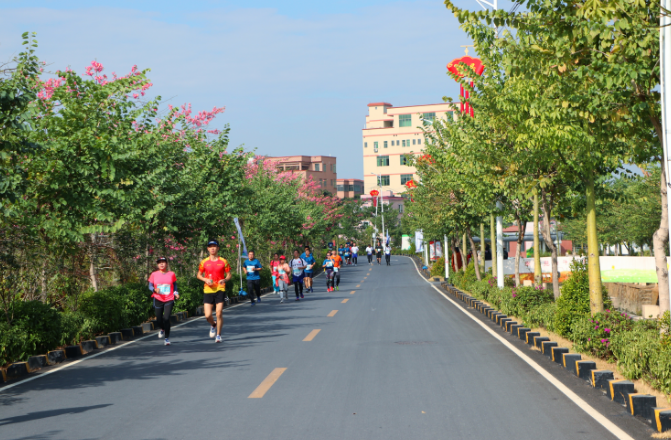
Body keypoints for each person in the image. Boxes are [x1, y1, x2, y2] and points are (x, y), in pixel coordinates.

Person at [196, 240, 231, 343]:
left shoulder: (223, 261)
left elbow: (229, 275)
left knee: (219, 313)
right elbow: (198, 275)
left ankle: (219, 335)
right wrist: (205, 279)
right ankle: (213, 324)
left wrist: (224, 279)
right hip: (208, 289)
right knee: (207, 315)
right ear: (208, 249)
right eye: (210, 246)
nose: (212, 248)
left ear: (218, 248)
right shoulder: (204, 262)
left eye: (214, 246)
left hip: (220, 289)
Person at [148, 257, 179, 346]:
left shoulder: (171, 274)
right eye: (159, 263)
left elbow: (174, 285)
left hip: (169, 298)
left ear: (166, 264)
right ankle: (162, 328)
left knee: (166, 318)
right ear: (157, 265)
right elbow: (150, 286)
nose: (161, 264)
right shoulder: (154, 274)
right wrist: (154, 290)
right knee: (159, 319)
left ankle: (166, 338)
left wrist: (176, 293)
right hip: (158, 298)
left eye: (163, 262)